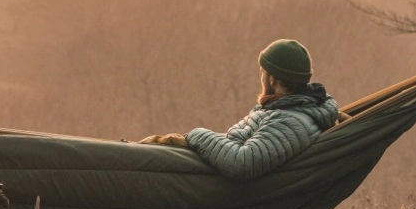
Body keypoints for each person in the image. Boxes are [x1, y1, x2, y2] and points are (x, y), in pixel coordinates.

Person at [139, 39, 339, 181]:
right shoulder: (285, 110)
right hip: (212, 176)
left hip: (219, 192)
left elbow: (242, 163)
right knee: (147, 150)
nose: (261, 78)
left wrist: (196, 135)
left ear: (273, 79)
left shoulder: (290, 121)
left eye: (263, 72)